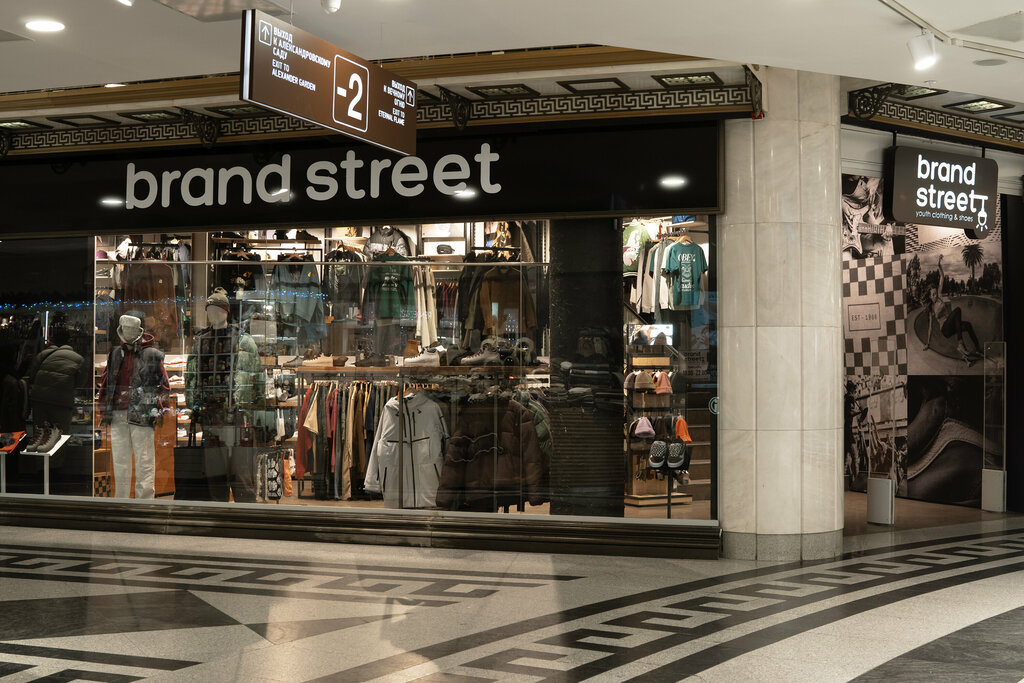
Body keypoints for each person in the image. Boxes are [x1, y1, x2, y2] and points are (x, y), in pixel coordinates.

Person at [97, 315, 169, 499]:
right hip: (118, 414)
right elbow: (106, 383)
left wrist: (158, 411)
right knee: (120, 462)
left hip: (143, 414)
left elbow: (164, 385)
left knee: (144, 462)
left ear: (139, 331)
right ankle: (122, 502)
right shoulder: (115, 353)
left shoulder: (152, 354)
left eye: (131, 329)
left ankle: (145, 504)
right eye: (125, 328)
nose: (127, 332)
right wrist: (104, 410)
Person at [924, 254, 981, 365]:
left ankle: (977, 349)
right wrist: (928, 343)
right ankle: (960, 344)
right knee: (957, 310)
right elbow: (930, 327)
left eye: (936, 293)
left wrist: (939, 264)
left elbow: (942, 277)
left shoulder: (940, 296)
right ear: (930, 296)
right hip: (945, 329)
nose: (935, 296)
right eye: (933, 295)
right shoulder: (931, 308)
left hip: (951, 324)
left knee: (968, 325)